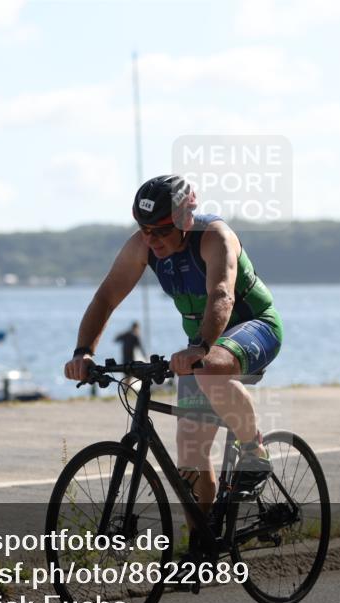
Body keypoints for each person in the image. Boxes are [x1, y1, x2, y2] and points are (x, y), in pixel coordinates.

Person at [63, 175, 284, 543]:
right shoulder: (144, 245)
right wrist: (83, 351)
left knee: (211, 371)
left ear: (185, 218)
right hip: (203, 344)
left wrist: (200, 348)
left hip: (253, 327)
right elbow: (106, 297)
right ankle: (202, 545)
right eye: (144, 229)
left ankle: (254, 450)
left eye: (161, 230)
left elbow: (221, 296)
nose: (152, 239)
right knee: (190, 460)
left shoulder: (215, 237)